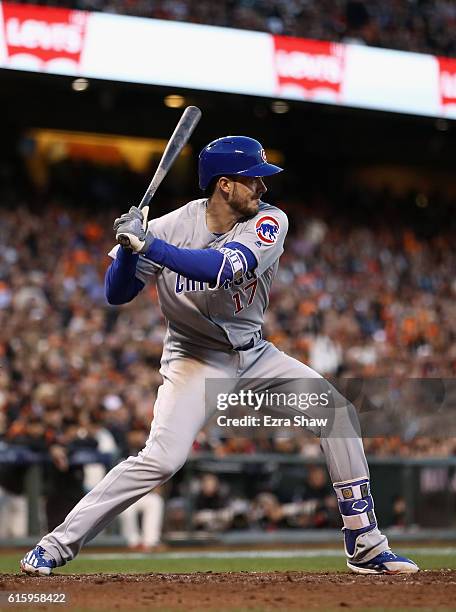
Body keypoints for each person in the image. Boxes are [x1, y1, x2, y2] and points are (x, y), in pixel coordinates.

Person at [20, 136, 417, 575]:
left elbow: (223, 268)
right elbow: (117, 293)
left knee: (337, 414)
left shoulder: (269, 220)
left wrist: (148, 244)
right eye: (253, 181)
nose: (263, 189)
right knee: (162, 460)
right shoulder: (171, 225)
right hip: (193, 358)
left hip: (255, 355)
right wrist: (128, 252)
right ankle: (55, 546)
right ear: (224, 185)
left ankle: (363, 542)